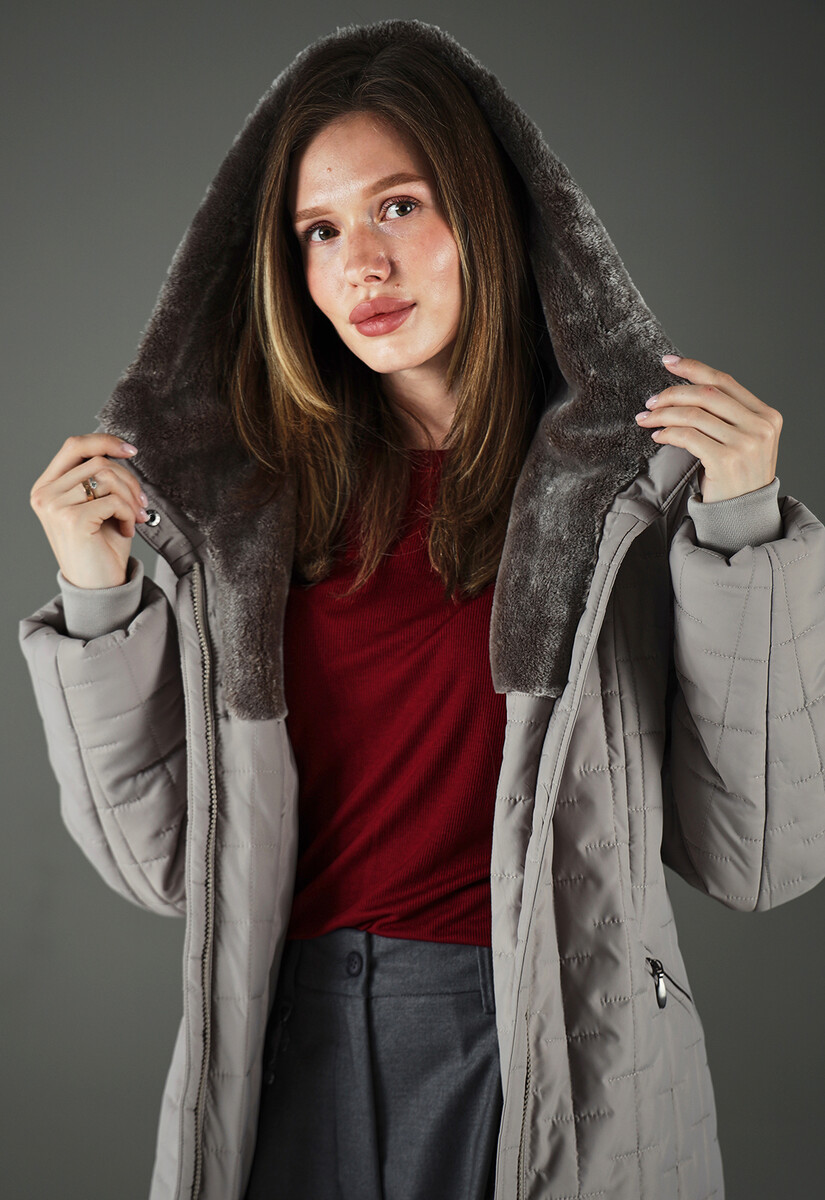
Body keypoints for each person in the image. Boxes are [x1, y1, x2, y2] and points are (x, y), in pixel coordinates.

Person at [18, 18, 825, 1200]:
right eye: (321, 230)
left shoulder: (624, 496)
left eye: (399, 206)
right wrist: (98, 600)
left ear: (484, 213)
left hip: (543, 1049)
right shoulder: (246, 518)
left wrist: (743, 529)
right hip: (283, 1052)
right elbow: (167, 870)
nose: (363, 264)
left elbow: (757, 858)